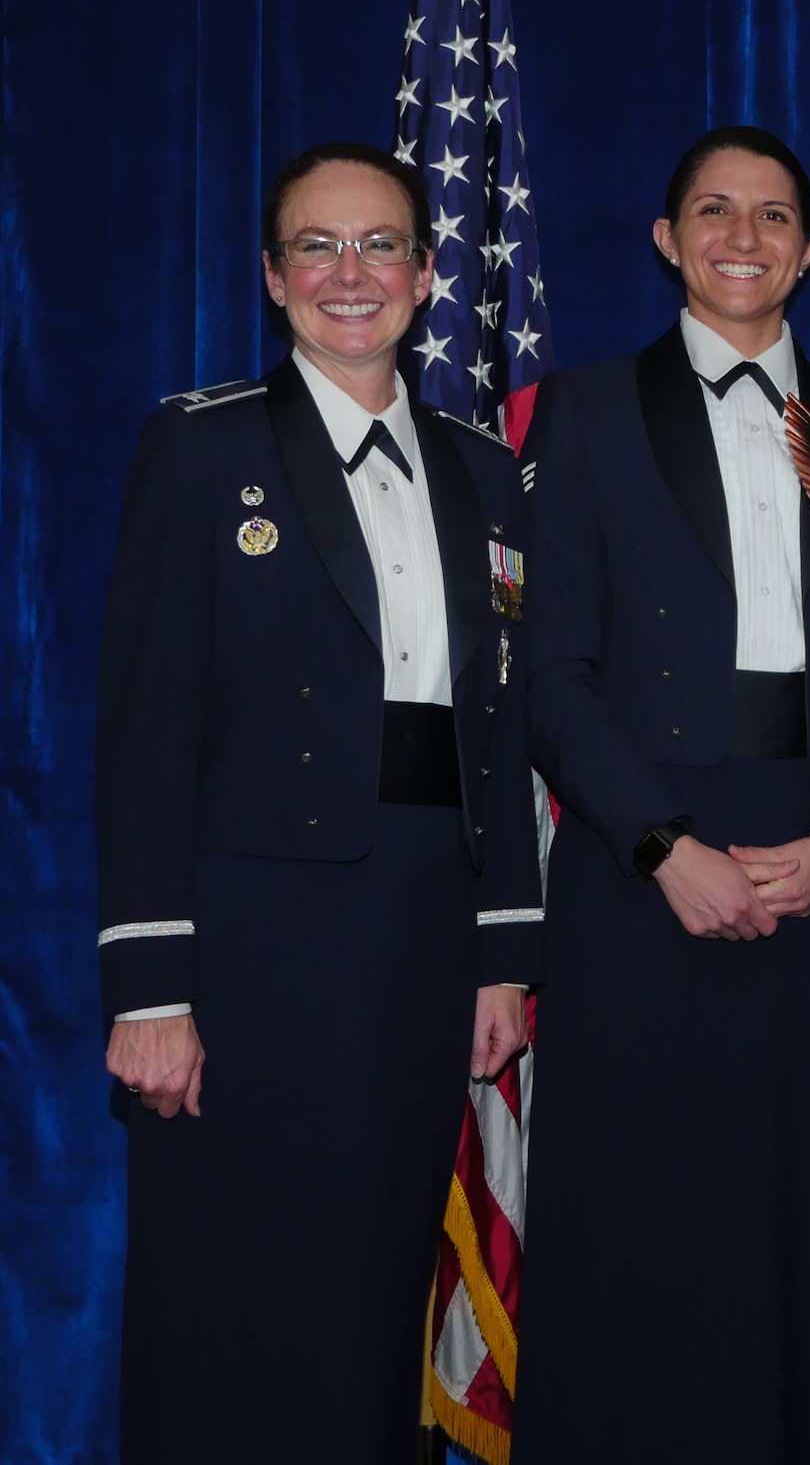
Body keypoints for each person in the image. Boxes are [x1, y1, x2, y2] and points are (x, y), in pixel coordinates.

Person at [98, 141, 541, 1463]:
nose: (351, 275)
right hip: (245, 941)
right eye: (317, 248)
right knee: (228, 1280)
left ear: (425, 274)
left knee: (375, 1268)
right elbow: (142, 728)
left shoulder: (484, 473)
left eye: (380, 247)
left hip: (419, 929)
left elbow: (501, 730)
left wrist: (504, 950)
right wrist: (150, 984)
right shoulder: (201, 447)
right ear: (275, 279)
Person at [510, 126, 810, 1461]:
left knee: (792, 1228)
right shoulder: (579, 414)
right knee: (626, 1220)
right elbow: (549, 670)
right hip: (638, 881)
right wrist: (660, 845)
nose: (741, 239)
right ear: (665, 237)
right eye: (712, 211)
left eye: (771, 218)